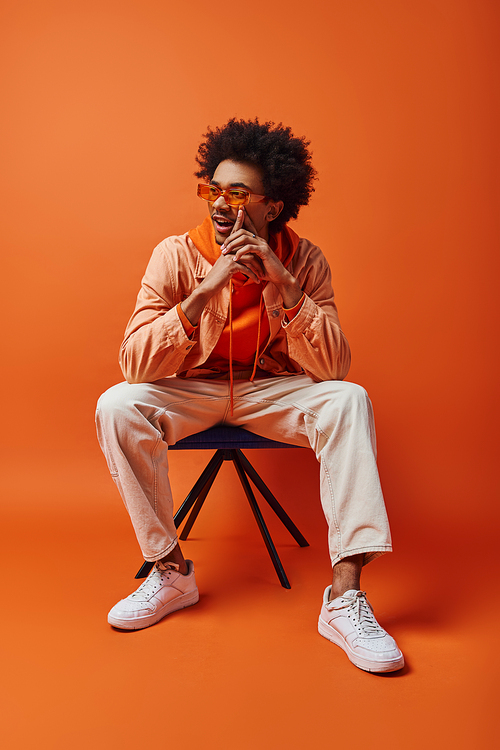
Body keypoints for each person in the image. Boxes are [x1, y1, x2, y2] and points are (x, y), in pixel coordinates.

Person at [96, 118, 404, 673]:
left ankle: (345, 598)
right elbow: (134, 363)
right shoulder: (174, 255)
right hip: (194, 390)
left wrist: (285, 286)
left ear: (273, 206)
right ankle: (169, 573)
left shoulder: (306, 261)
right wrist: (205, 291)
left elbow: (333, 366)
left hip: (271, 393)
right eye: (211, 189)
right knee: (116, 404)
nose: (219, 203)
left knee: (349, 399)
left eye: (236, 192)